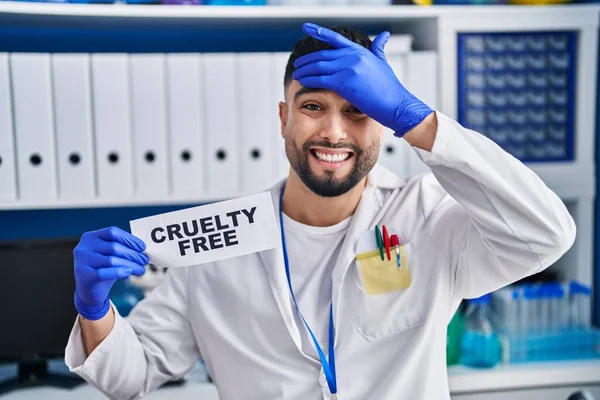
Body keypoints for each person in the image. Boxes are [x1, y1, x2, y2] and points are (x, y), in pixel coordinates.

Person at [65, 23, 576, 400]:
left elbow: (545, 235)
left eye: (359, 110)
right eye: (313, 108)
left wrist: (415, 117)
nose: (334, 132)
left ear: (383, 122)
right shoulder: (217, 240)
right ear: (285, 118)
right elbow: (132, 375)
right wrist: (93, 309)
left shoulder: (427, 218)